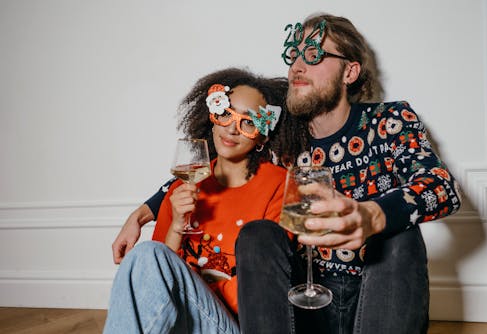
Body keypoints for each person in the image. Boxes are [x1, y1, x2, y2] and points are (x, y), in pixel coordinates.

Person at [234, 13, 462, 334]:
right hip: (303, 301)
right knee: (257, 234)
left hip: (376, 299)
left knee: (401, 234)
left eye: (314, 55)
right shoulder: (279, 129)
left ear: (349, 72)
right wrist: (151, 206)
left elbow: (442, 188)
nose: (297, 66)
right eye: (294, 55)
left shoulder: (389, 120)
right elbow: (220, 149)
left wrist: (374, 216)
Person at [103, 67, 288, 333]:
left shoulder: (279, 186)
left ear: (263, 136)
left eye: (248, 122)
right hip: (176, 320)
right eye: (224, 113)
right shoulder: (183, 185)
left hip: (231, 323)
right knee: (145, 253)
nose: (232, 129)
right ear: (211, 117)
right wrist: (177, 225)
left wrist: (190, 286)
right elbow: (156, 274)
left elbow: (264, 288)